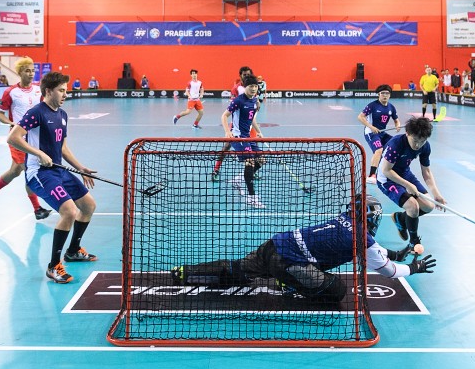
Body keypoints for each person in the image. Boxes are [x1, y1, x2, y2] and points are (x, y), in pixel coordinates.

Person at [169, 195, 437, 303]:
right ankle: (290, 283)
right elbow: (389, 272)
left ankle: (186, 273)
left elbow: (374, 251)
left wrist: (397, 253)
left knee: (238, 270)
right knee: (336, 291)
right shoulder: (362, 238)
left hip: (274, 245)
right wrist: (413, 267)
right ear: (370, 219)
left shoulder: (343, 222)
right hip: (288, 265)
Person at [7, 71, 99, 284]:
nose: (65, 94)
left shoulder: (62, 114)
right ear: (48, 91)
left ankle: (73, 251)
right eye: (61, 90)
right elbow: (13, 137)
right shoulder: (36, 112)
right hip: (39, 172)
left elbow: (63, 148)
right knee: (69, 211)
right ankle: (53, 266)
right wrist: (38, 153)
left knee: (88, 206)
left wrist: (81, 168)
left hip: (59, 170)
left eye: (66, 90)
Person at [0, 56, 51, 219]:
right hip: (17, 138)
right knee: (28, 169)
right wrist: (11, 123)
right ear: (20, 72)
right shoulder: (11, 92)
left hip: (34, 137)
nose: (31, 73)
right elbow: (0, 114)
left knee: (15, 171)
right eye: (27, 71)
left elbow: (44, 109)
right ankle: (37, 209)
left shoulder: (38, 90)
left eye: (33, 70)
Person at [378, 117, 446, 246]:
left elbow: (426, 172)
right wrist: (407, 185)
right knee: (412, 206)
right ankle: (413, 242)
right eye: (415, 140)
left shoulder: (425, 146)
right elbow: (386, 170)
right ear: (407, 133)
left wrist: (436, 194)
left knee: (429, 206)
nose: (417, 145)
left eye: (422, 141)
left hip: (405, 173)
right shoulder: (396, 144)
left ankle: (401, 218)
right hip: (387, 179)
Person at [222, 73, 266, 207]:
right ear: (245, 87)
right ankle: (251, 197)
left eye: (255, 86)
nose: (253, 89)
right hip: (238, 137)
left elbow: (251, 119)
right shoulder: (238, 101)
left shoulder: (254, 100)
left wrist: (258, 132)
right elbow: (224, 116)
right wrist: (227, 132)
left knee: (261, 160)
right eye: (251, 86)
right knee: (250, 162)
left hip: (248, 136)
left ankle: (239, 179)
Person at [357, 85, 401, 184]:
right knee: (379, 150)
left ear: (390, 95)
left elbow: (396, 120)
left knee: (396, 145)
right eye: (382, 93)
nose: (385, 95)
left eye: (387, 93)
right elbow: (360, 117)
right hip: (371, 132)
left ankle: (388, 171)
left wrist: (397, 126)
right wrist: (371, 127)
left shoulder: (391, 107)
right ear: (378, 94)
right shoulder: (372, 105)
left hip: (382, 133)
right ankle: (371, 175)